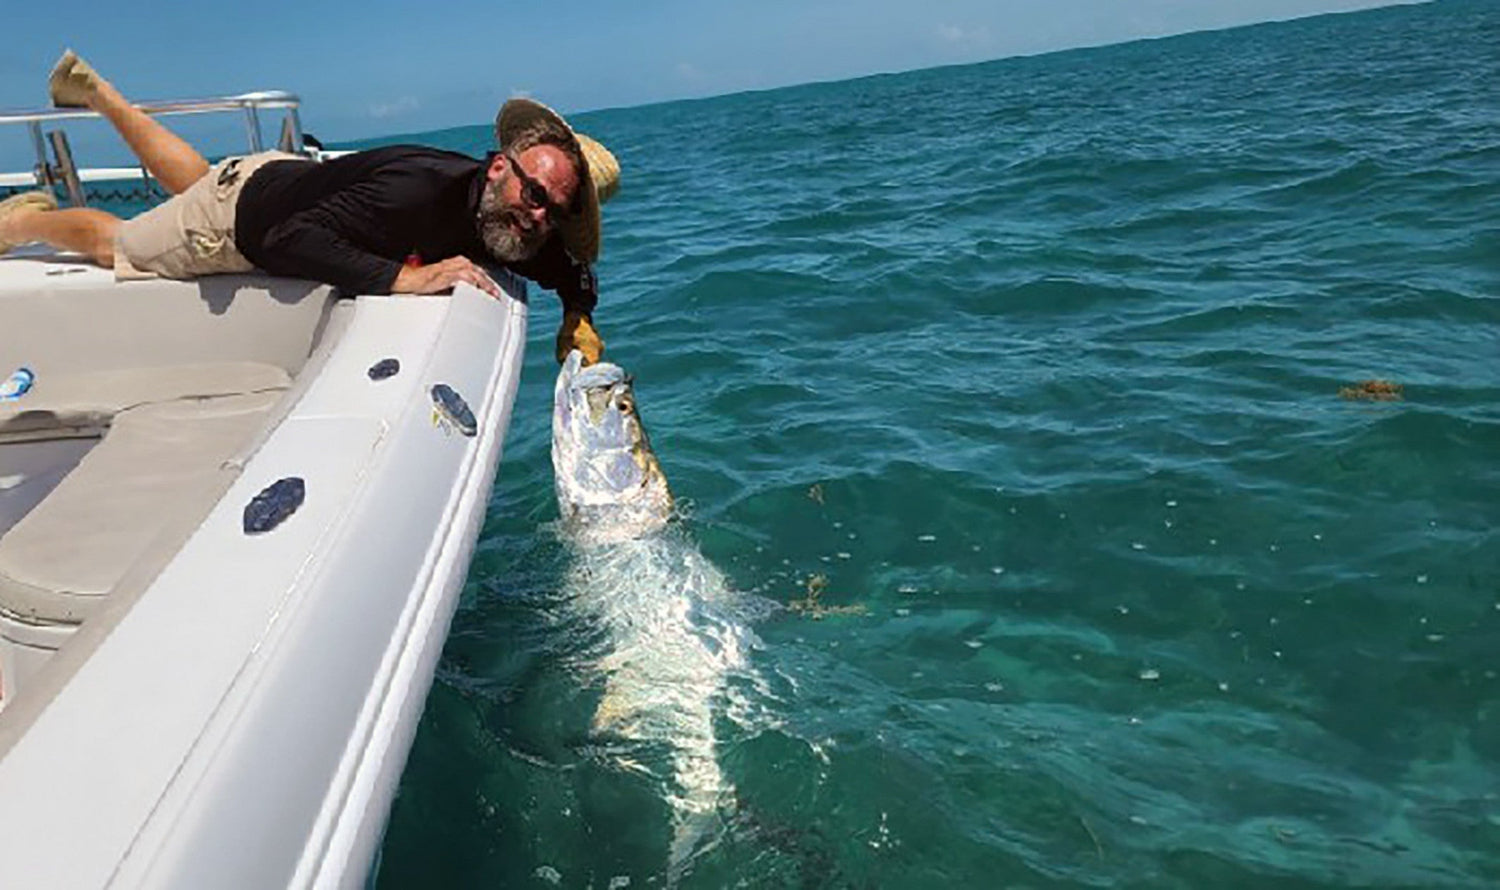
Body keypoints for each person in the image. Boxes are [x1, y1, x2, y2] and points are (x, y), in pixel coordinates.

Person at [0, 50, 618, 365]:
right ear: (499, 166)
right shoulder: (417, 191)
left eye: (556, 211)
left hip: (275, 172)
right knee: (122, 245)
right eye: (534, 195)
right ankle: (20, 220)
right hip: (245, 222)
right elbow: (283, 240)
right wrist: (403, 278)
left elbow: (564, 267)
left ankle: (101, 94)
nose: (538, 216)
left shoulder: (509, 217)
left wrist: (576, 314)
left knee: (199, 180)